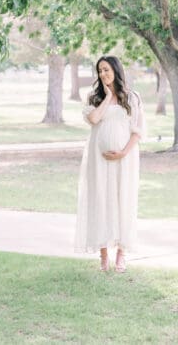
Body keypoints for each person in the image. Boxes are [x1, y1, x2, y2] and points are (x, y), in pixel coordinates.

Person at [75, 55, 145, 272]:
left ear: (116, 69)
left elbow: (138, 132)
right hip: (98, 160)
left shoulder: (132, 98)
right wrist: (108, 96)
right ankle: (104, 255)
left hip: (125, 160)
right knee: (101, 201)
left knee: (123, 200)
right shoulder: (94, 97)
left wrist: (123, 152)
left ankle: (121, 255)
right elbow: (94, 119)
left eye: (106, 69)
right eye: (100, 70)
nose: (103, 74)